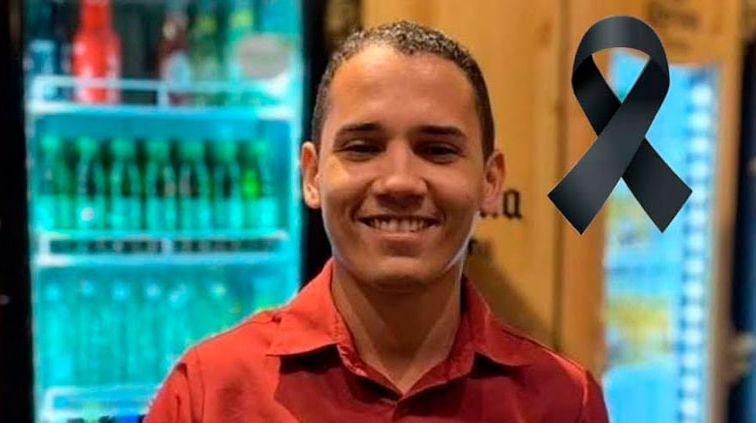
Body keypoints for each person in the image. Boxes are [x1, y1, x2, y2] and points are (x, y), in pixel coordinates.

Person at [144, 20, 609, 423]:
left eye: (437, 150)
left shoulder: (565, 402)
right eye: (363, 148)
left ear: (490, 181)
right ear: (312, 175)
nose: (399, 182)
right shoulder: (208, 392)